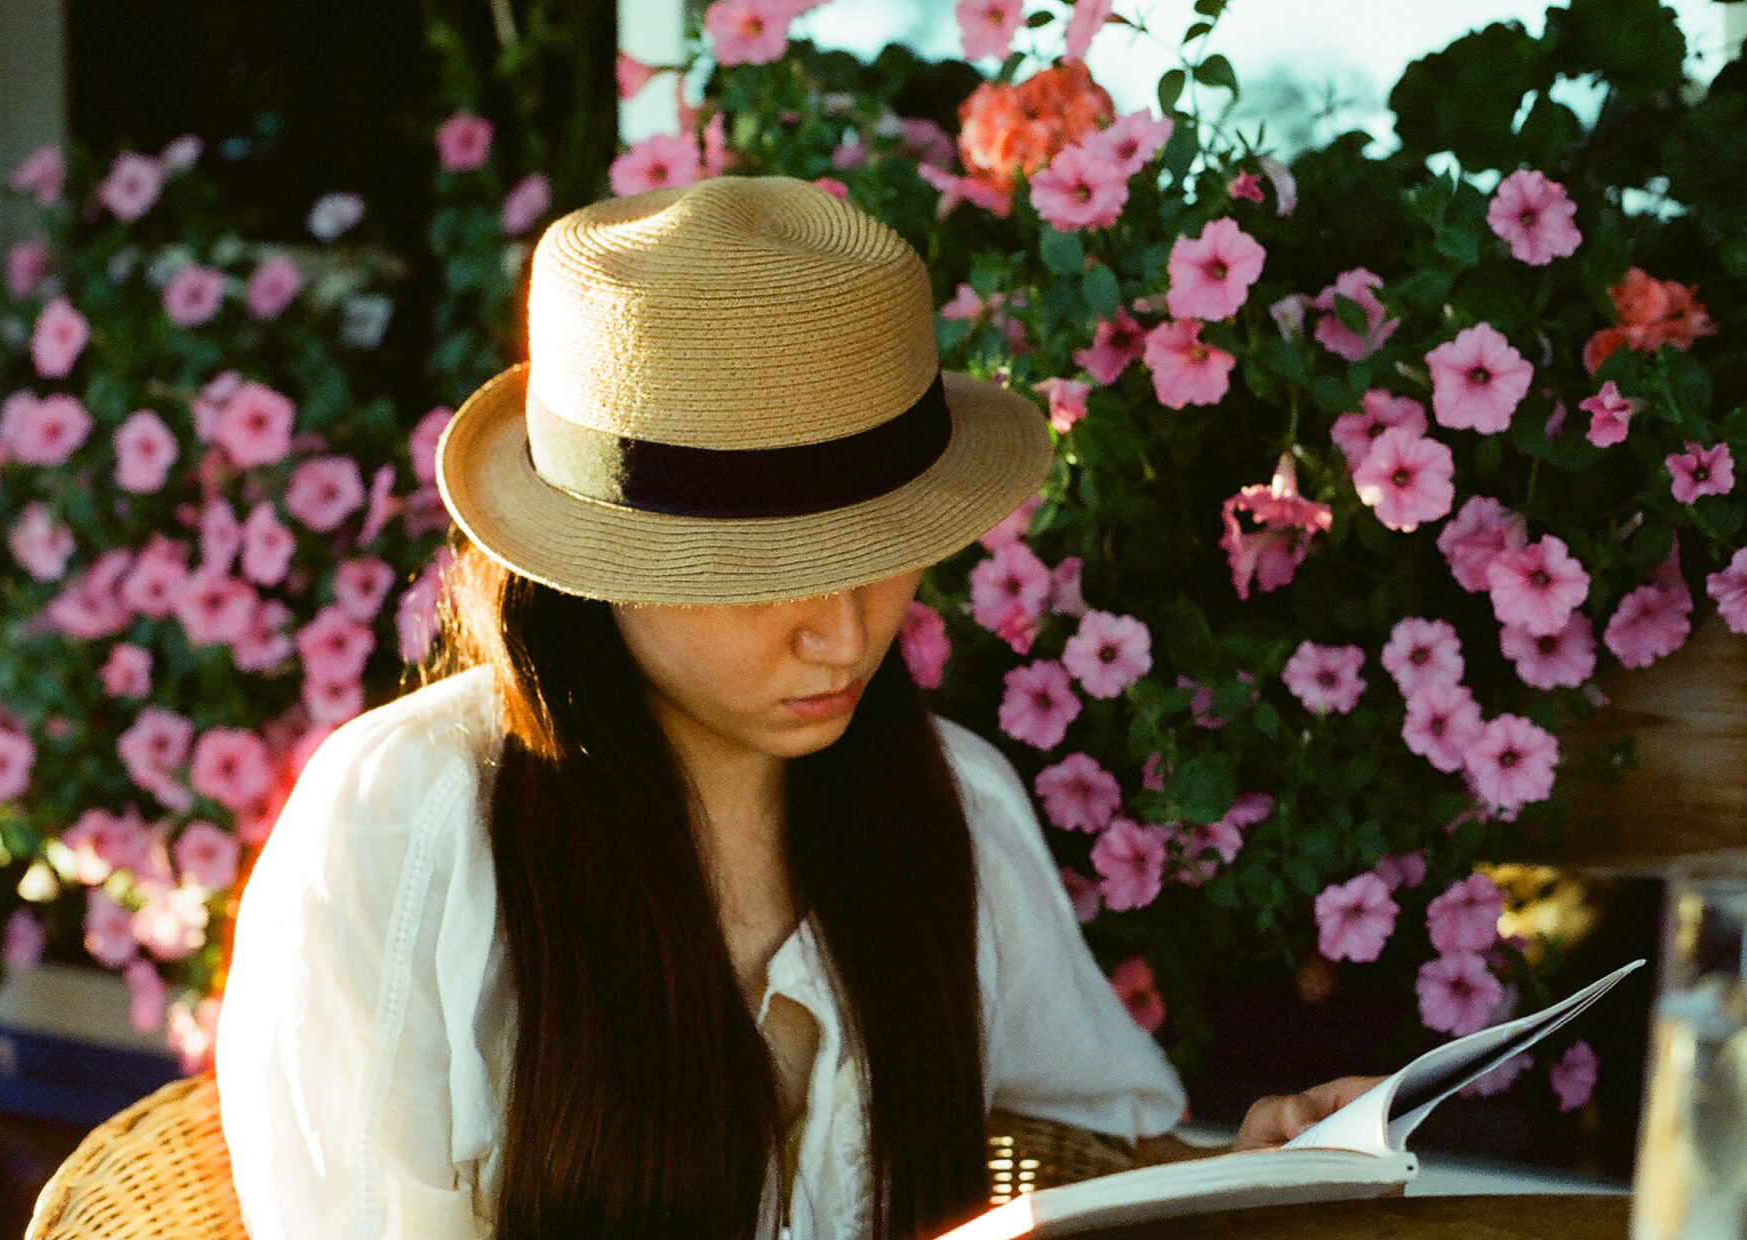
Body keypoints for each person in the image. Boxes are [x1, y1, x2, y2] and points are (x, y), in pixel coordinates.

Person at [215, 176, 1370, 1240]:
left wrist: (1254, 1166)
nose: (845, 634)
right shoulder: (409, 821)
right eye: (759, 574)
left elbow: (1086, 1153)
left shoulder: (948, 799)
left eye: (882, 552)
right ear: (596, 559)